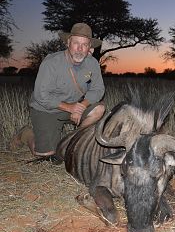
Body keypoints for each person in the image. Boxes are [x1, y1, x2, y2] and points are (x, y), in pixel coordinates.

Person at [11, 23, 105, 164]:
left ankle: (75, 143)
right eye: (76, 43)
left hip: (74, 107)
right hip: (46, 110)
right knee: (47, 158)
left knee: (99, 109)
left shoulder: (92, 63)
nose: (80, 48)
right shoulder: (51, 62)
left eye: (84, 44)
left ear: (89, 47)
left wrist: (81, 107)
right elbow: (41, 95)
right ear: (68, 43)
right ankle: (26, 134)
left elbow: (98, 89)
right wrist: (70, 108)